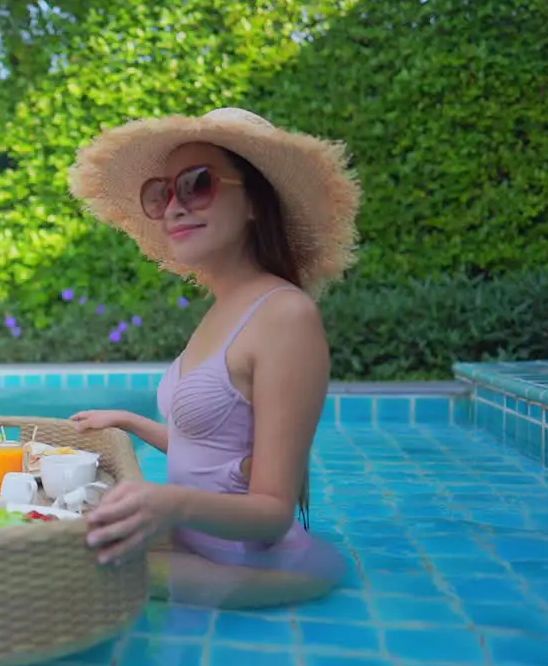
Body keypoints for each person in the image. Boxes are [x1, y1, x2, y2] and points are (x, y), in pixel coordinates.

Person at [65, 107, 361, 609]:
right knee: (55, 551)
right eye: (161, 194)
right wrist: (132, 422)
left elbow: (272, 511)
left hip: (249, 565)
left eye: (197, 184)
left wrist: (166, 502)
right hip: (196, 547)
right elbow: (210, 453)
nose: (173, 209)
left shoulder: (285, 316)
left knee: (67, 577)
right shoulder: (223, 311)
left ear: (254, 202)